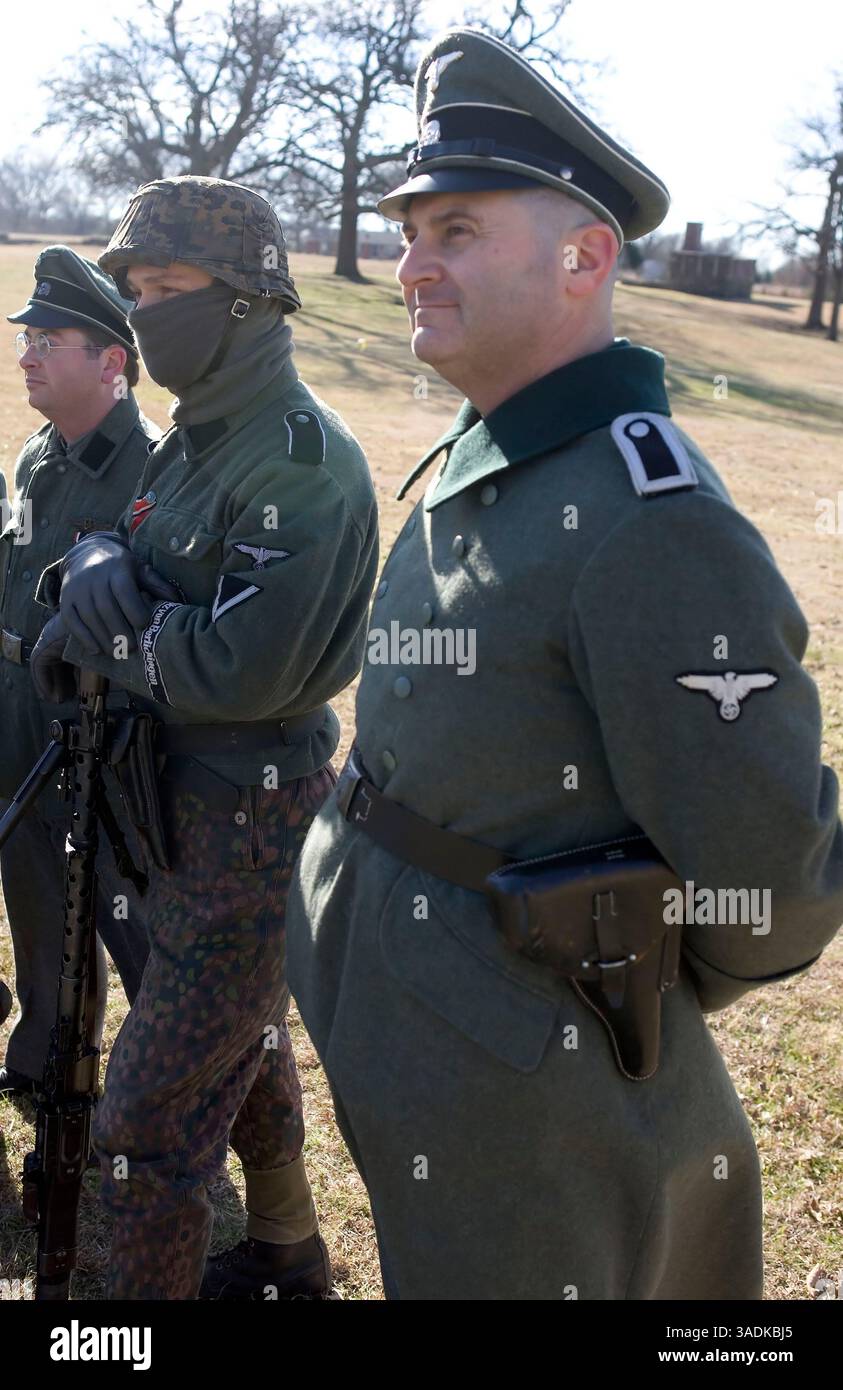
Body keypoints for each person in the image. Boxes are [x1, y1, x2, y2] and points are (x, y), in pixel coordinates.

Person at [286, 27, 843, 1300]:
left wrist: (600, 980)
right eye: (411, 228)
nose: (413, 262)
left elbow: (765, 889)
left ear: (586, 256)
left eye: (458, 231)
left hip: (533, 1075)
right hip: (410, 1010)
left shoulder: (653, 519)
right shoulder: (491, 450)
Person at [30, 177, 379, 1300]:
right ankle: (288, 1254)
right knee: (236, 1048)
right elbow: (132, 568)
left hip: (247, 823)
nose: (144, 310)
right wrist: (82, 571)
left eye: (167, 288)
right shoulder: (200, 442)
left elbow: (236, 663)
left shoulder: (301, 458)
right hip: (161, 808)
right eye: (133, 289)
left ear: (246, 300)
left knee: (144, 1130)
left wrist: (114, 621)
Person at [0, 246, 155, 1097]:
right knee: (33, 899)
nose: (25, 354)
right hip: (20, 706)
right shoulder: (37, 455)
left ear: (110, 362)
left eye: (46, 339)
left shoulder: (156, 473)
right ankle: (47, 1065)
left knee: (132, 927)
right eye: (25, 338)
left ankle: (174, 1109)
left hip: (106, 735)